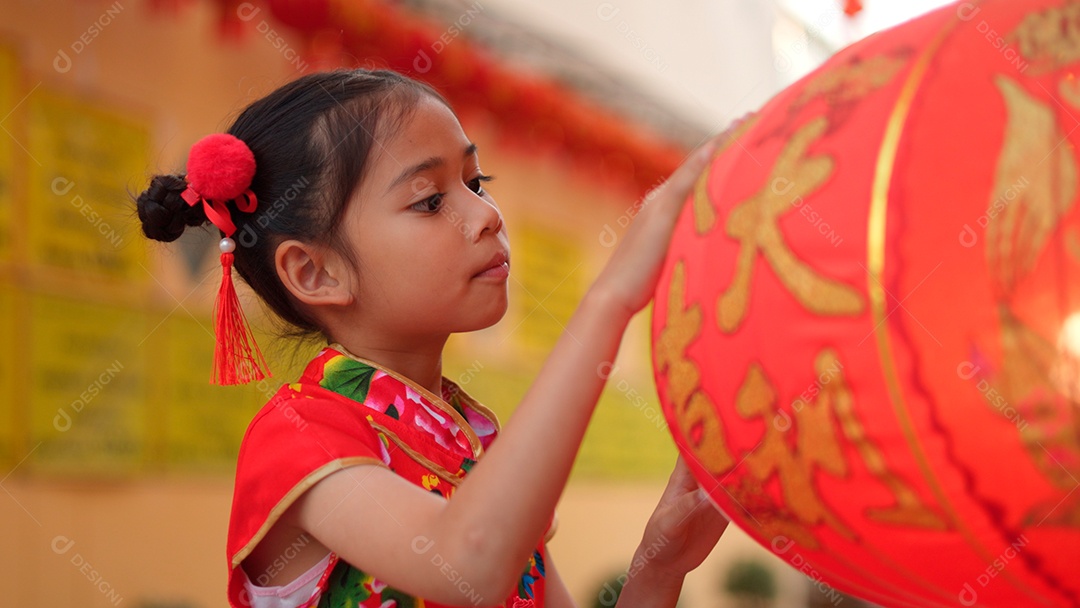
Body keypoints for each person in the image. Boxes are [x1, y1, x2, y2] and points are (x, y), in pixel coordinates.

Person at [135, 68, 727, 608]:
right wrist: (610, 298)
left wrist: (661, 561)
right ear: (315, 272)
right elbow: (469, 561)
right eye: (431, 200)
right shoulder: (299, 438)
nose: (486, 214)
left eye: (477, 181)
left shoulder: (470, 440)